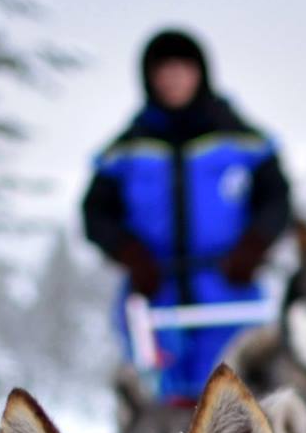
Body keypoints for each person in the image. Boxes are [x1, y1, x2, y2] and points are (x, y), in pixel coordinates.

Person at [82, 30, 292, 403]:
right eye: (164, 72)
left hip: (229, 288)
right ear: (149, 79)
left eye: (182, 70)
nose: (174, 80)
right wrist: (130, 254)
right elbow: (95, 215)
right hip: (155, 291)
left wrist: (254, 246)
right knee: (161, 405)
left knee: (237, 398)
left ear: (200, 74)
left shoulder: (242, 140)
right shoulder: (126, 149)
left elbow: (277, 200)